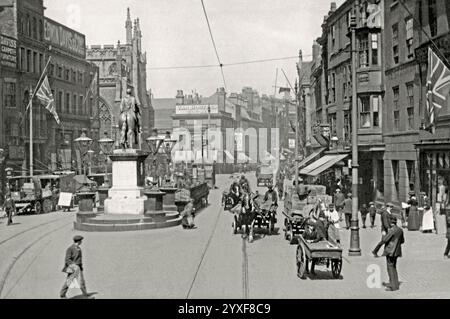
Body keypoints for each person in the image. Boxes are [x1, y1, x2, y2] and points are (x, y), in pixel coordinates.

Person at [381, 216, 405, 291]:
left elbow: (384, 240)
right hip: (397, 251)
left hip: (390, 251)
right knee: (394, 267)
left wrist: (384, 234)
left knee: (390, 268)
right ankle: (395, 284)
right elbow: (402, 241)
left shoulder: (391, 230)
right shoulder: (400, 230)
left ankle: (393, 286)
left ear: (390, 223)